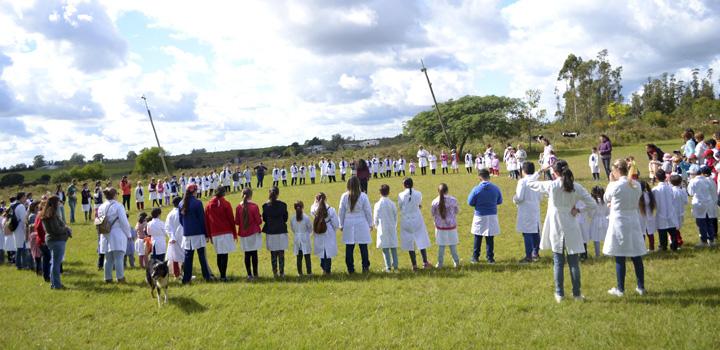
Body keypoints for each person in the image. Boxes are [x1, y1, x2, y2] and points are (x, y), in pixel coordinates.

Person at [527, 160, 597, 303]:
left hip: (556, 224)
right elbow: (592, 204)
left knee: (558, 262)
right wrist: (578, 210)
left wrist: (540, 171)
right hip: (571, 223)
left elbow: (530, 183)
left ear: (555, 172)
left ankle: (560, 294)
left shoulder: (552, 185)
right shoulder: (576, 186)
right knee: (573, 262)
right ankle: (576, 294)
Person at [604, 159, 647, 297]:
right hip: (633, 220)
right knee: (636, 255)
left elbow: (606, 198)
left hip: (619, 221)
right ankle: (641, 287)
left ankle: (620, 289)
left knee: (620, 255)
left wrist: (610, 182)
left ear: (617, 170)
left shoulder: (615, 185)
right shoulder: (636, 184)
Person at [338, 176, 373, 273]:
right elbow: (368, 211)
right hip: (361, 222)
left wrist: (341, 224)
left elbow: (341, 211)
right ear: (358, 185)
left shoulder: (344, 196)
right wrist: (370, 223)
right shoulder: (363, 196)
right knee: (363, 246)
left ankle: (350, 268)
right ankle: (365, 267)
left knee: (349, 247)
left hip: (349, 223)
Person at [179, 184, 213, 284]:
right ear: (194, 191)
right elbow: (202, 220)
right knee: (202, 257)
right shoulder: (197, 203)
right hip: (198, 233)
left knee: (188, 258)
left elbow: (181, 220)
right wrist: (206, 233)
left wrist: (187, 227)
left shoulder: (181, 203)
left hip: (187, 233)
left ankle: (186, 279)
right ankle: (206, 276)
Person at [467, 169, 503, 264]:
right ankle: (490, 258)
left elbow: (470, 202)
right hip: (492, 214)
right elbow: (500, 201)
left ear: (479, 177)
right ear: (489, 176)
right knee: (490, 237)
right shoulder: (495, 188)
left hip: (480, 215)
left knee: (478, 236)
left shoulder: (476, 189)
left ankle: (475, 257)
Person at [97, 188, 132, 283]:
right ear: (114, 195)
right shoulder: (118, 206)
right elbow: (124, 222)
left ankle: (107, 278)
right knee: (118, 258)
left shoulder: (101, 206)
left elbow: (98, 221)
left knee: (108, 259)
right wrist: (128, 234)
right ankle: (120, 277)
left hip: (105, 233)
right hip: (117, 233)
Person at [398, 177, 432, 270]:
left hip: (406, 219)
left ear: (404, 185)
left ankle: (414, 265)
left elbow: (400, 206)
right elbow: (418, 203)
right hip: (417, 219)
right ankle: (425, 262)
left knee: (410, 242)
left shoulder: (400, 195)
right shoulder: (418, 193)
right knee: (421, 239)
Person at [204, 187, 237, 282]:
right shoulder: (226, 204)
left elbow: (206, 221)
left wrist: (209, 234)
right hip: (226, 231)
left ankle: (221, 275)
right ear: (223, 193)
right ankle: (223, 276)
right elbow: (231, 219)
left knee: (219, 254)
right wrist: (234, 233)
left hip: (215, 232)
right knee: (224, 255)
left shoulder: (208, 205)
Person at [513, 162, 542, 263]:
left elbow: (519, 197)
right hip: (535, 207)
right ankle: (536, 253)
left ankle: (529, 256)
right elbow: (540, 197)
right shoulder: (536, 181)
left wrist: (514, 199)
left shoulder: (522, 181)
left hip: (526, 209)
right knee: (535, 230)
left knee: (527, 232)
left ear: (523, 170)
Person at [41, 196, 71, 289]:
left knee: (54, 263)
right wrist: (66, 228)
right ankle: (57, 285)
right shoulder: (51, 214)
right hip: (56, 240)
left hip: (53, 240)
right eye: (58, 202)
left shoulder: (49, 212)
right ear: (54, 203)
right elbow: (56, 229)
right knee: (56, 264)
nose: (59, 204)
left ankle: (54, 283)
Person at [235, 188, 263, 280]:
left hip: (244, 233)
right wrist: (260, 217)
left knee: (247, 254)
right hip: (253, 232)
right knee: (254, 253)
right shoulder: (254, 206)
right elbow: (259, 221)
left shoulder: (238, 207)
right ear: (251, 195)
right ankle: (255, 274)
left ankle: (249, 274)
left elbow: (237, 222)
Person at [687, 166, 718, 247]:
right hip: (709, 203)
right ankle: (711, 240)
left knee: (701, 223)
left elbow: (690, 193)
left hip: (699, 203)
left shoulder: (693, 181)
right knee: (709, 222)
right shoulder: (707, 180)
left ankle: (703, 241)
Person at [431, 183, 460, 268]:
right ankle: (456, 262)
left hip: (440, 227)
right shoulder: (453, 200)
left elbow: (433, 213)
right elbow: (457, 211)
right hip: (451, 226)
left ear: (438, 191)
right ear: (447, 190)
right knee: (453, 245)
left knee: (441, 246)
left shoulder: (435, 201)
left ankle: (440, 264)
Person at [262, 187, 289, 278]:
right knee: (281, 254)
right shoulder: (283, 205)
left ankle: (275, 273)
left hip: (271, 231)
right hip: (281, 230)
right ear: (278, 194)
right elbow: (285, 218)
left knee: (273, 254)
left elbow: (265, 219)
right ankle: (282, 273)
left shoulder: (265, 206)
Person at [311, 192, 339, 275]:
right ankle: (328, 270)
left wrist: (315, 202)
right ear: (326, 199)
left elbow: (312, 209)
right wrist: (333, 229)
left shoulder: (314, 209)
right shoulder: (331, 209)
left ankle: (323, 268)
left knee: (321, 250)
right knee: (328, 250)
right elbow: (335, 224)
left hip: (319, 230)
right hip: (328, 229)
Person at [373, 184, 399, 272]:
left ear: (379, 193)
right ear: (389, 192)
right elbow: (396, 216)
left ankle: (388, 267)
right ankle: (395, 266)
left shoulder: (377, 204)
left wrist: (376, 226)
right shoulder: (392, 203)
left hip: (382, 227)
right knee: (393, 247)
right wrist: (394, 225)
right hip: (391, 226)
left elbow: (375, 218)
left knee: (385, 248)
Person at [652, 170, 679, 251]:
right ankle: (674, 245)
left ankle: (663, 246)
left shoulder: (655, 190)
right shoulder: (670, 188)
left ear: (656, 178)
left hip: (661, 212)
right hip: (670, 211)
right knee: (672, 230)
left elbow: (654, 202)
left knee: (662, 231)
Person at [164, 197, 184, 279]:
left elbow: (167, 227)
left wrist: (172, 237)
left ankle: (178, 274)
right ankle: (181, 274)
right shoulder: (181, 212)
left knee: (175, 257)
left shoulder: (170, 214)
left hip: (175, 238)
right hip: (182, 236)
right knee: (183, 256)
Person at [291, 201, 312, 276]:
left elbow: (292, 229)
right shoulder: (306, 217)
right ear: (303, 207)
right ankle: (309, 273)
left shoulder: (293, 218)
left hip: (297, 238)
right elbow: (310, 228)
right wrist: (307, 233)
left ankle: (300, 273)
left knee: (299, 257)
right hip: (305, 237)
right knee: (307, 257)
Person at [588, 186, 609, 258]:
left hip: (596, 221)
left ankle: (597, 254)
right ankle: (607, 253)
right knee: (606, 237)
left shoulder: (593, 202)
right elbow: (607, 212)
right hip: (605, 220)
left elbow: (590, 214)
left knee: (596, 238)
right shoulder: (605, 201)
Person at [10, 192, 28, 269]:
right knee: (22, 248)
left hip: (15, 228)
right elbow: (24, 219)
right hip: (20, 228)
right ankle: (23, 265)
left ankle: (18, 265)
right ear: (21, 197)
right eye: (25, 197)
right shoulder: (21, 206)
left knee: (18, 247)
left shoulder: (13, 205)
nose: (26, 198)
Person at [638, 181, 656, 251]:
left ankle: (642, 248)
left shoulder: (639, 196)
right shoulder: (649, 194)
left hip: (641, 216)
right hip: (649, 215)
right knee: (650, 233)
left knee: (642, 233)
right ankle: (652, 247)